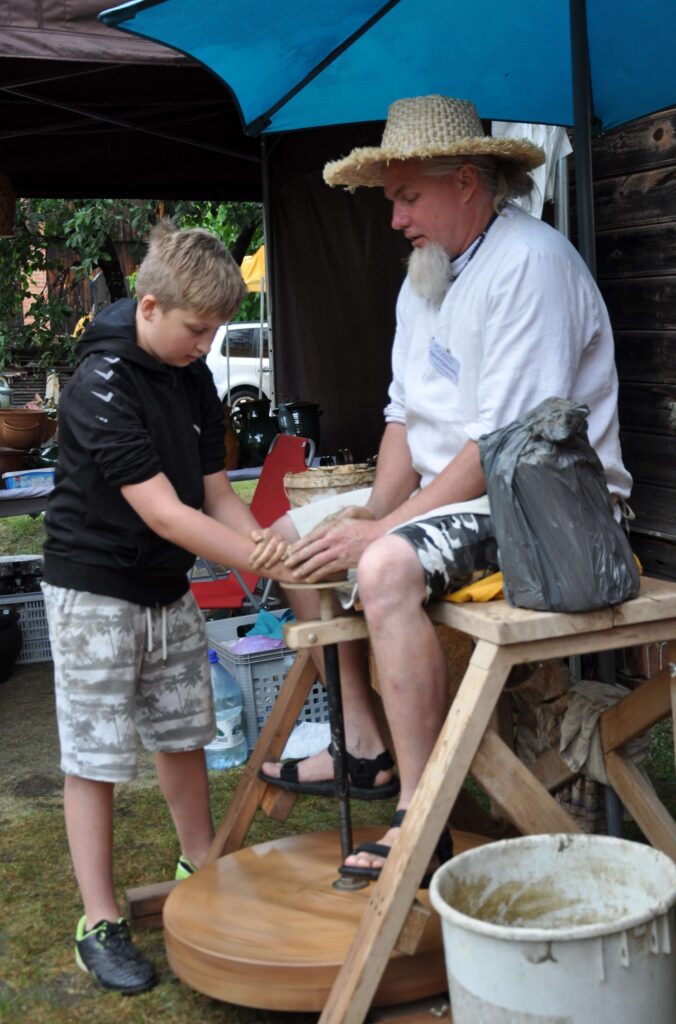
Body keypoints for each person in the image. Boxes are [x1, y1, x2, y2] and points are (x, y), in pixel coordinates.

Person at [253, 95, 632, 883]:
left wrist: (381, 536)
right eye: (392, 199)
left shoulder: (530, 264)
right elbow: (404, 422)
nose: (394, 220)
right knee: (291, 540)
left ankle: (421, 816)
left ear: (468, 182)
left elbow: (501, 448)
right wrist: (370, 512)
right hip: (463, 493)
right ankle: (363, 746)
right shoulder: (426, 278)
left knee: (385, 566)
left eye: (407, 197)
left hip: (552, 509)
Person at [42, 221, 292, 995]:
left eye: (217, 331)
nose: (207, 345)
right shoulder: (100, 386)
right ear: (149, 306)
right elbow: (162, 511)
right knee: (96, 756)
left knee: (184, 730)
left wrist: (272, 552)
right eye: (197, 329)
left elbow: (213, 490)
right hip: (94, 590)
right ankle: (99, 919)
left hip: (164, 587)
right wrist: (256, 556)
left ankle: (203, 865)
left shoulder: (191, 375)